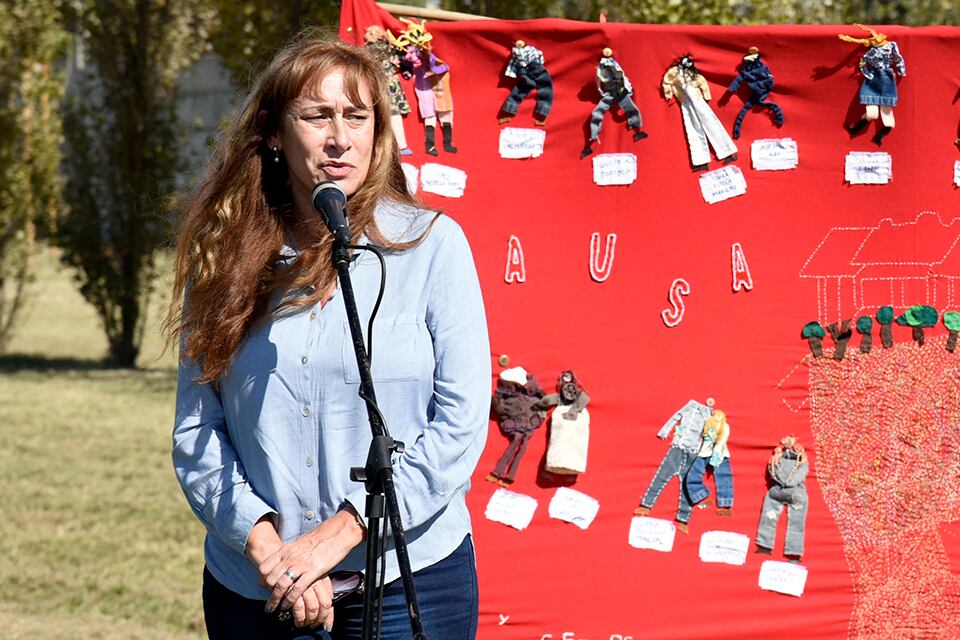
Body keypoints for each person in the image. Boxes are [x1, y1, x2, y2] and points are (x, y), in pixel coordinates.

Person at [166, 33, 490, 640]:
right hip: (258, 586)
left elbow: (460, 423)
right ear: (272, 132)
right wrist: (271, 551)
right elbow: (197, 430)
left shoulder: (432, 245)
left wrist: (334, 539)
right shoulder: (223, 260)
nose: (340, 137)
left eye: (357, 116)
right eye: (316, 116)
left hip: (407, 579)